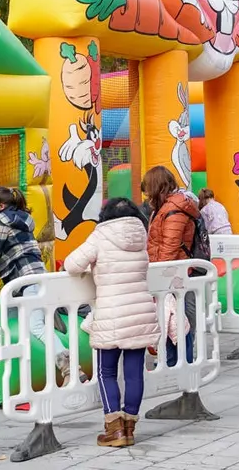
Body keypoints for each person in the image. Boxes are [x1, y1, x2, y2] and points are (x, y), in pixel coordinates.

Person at [64, 197, 161, 448]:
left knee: (106, 371)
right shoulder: (140, 235)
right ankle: (130, 427)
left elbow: (72, 264)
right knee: (133, 372)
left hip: (112, 312)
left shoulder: (100, 235)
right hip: (140, 311)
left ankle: (114, 429)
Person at [0, 187, 73, 380]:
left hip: (24, 280)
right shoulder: (23, 218)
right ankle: (21, 378)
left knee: (36, 327)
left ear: (1, 206)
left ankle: (68, 366)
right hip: (37, 277)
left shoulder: (2, 223)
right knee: (12, 326)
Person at [143, 165, 199, 366]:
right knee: (171, 319)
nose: (146, 193)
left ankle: (180, 363)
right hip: (169, 272)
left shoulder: (173, 209)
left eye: (148, 188)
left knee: (177, 321)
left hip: (172, 274)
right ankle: (174, 361)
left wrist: (158, 276)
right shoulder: (166, 208)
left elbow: (170, 246)